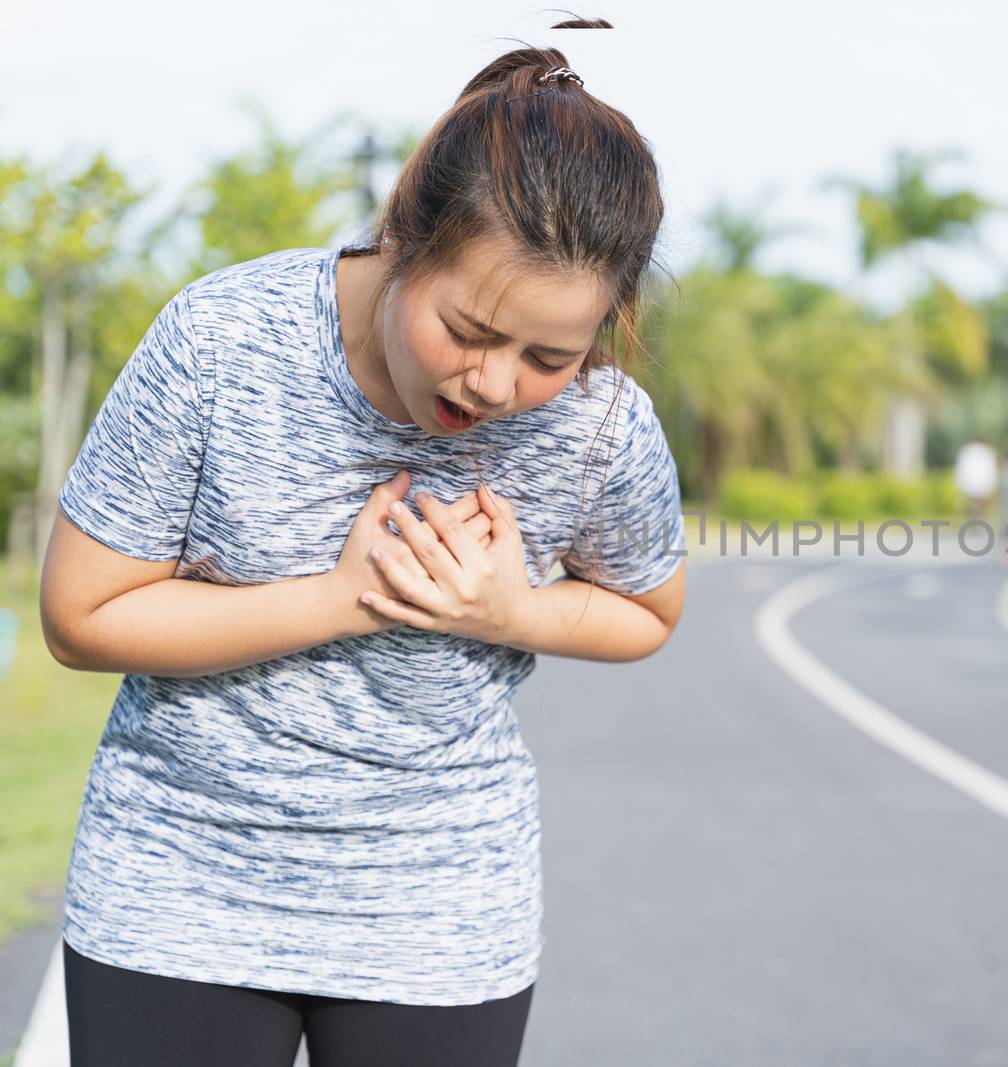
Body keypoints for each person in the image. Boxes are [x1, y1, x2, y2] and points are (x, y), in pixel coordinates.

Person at [38, 41, 686, 1067]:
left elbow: (647, 609)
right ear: (404, 238)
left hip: (438, 915)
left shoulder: (600, 424)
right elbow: (81, 614)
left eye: (550, 356)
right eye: (467, 328)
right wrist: (348, 597)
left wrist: (507, 614)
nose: (495, 383)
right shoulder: (221, 341)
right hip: (179, 890)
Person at [953, 436, 999, 521]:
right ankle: (975, 516)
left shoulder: (968, 450)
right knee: (977, 500)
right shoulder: (986, 450)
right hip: (980, 482)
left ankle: (974, 516)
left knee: (974, 500)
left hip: (973, 481)